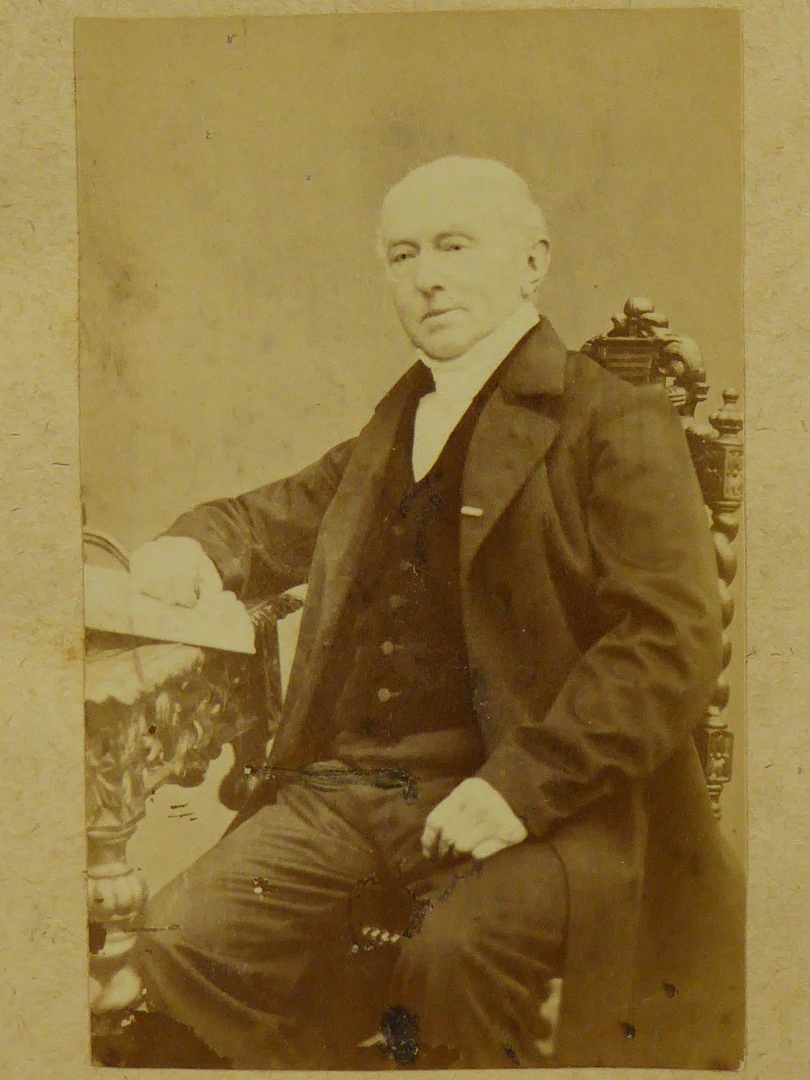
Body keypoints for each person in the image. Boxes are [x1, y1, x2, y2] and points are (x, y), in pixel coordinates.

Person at [127, 156, 744, 1069]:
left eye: (454, 247)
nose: (427, 277)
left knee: (451, 964)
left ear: (532, 262)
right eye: (402, 254)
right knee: (179, 940)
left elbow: (669, 645)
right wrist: (189, 549)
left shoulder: (616, 422)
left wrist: (516, 789)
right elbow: (265, 521)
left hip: (554, 804)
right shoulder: (400, 424)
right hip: (358, 794)